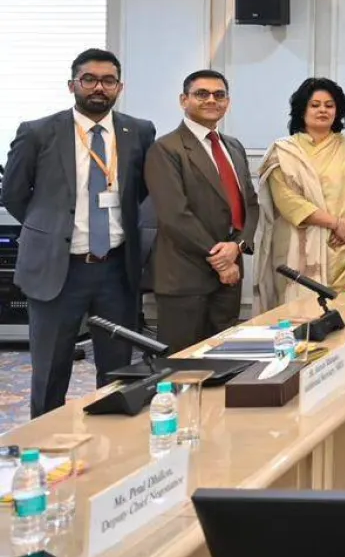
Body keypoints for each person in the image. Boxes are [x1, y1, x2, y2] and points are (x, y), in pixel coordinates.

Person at [1, 49, 156, 417]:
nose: (99, 87)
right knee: (50, 371)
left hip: (116, 269)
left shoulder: (139, 131)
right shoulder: (38, 131)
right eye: (89, 79)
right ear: (72, 85)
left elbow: (142, 191)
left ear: (120, 87)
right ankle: (43, 444)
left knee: (118, 372)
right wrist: (49, 229)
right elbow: (13, 194)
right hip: (59, 269)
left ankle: (112, 444)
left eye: (108, 80)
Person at [255, 77, 345, 308]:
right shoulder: (284, 151)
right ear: (302, 110)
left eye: (329, 105)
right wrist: (335, 223)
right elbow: (288, 201)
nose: (323, 110)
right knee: (301, 316)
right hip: (298, 248)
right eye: (315, 105)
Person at [144, 70, 257, 353]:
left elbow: (250, 205)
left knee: (224, 358)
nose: (211, 100)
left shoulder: (233, 146)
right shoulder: (166, 148)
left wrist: (238, 246)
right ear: (184, 100)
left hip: (230, 275)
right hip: (185, 276)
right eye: (201, 94)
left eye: (219, 95)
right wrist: (222, 260)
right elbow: (174, 215)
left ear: (227, 102)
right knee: (182, 364)